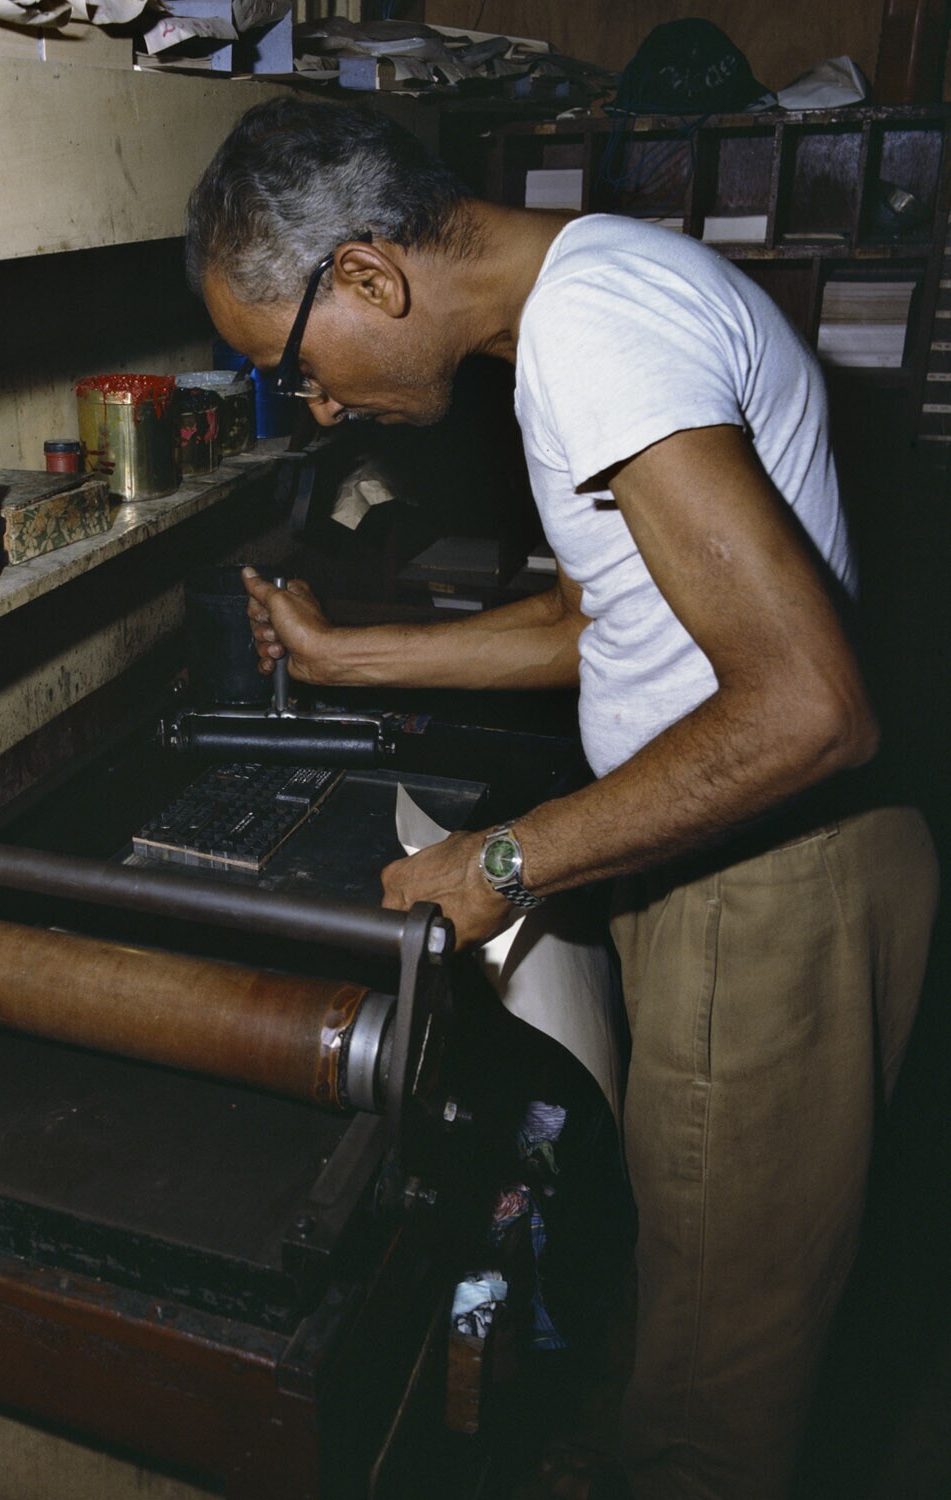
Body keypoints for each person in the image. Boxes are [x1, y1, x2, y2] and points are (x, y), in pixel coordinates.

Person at [185, 98, 938, 1500]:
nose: (319, 407)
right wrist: (352, 659)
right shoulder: (595, 288)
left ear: (367, 277)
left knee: (720, 1404)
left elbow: (809, 707)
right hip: (744, 869)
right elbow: (609, 618)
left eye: (295, 367)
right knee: (702, 1283)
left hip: (768, 888)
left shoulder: (593, 334)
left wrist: (502, 866)